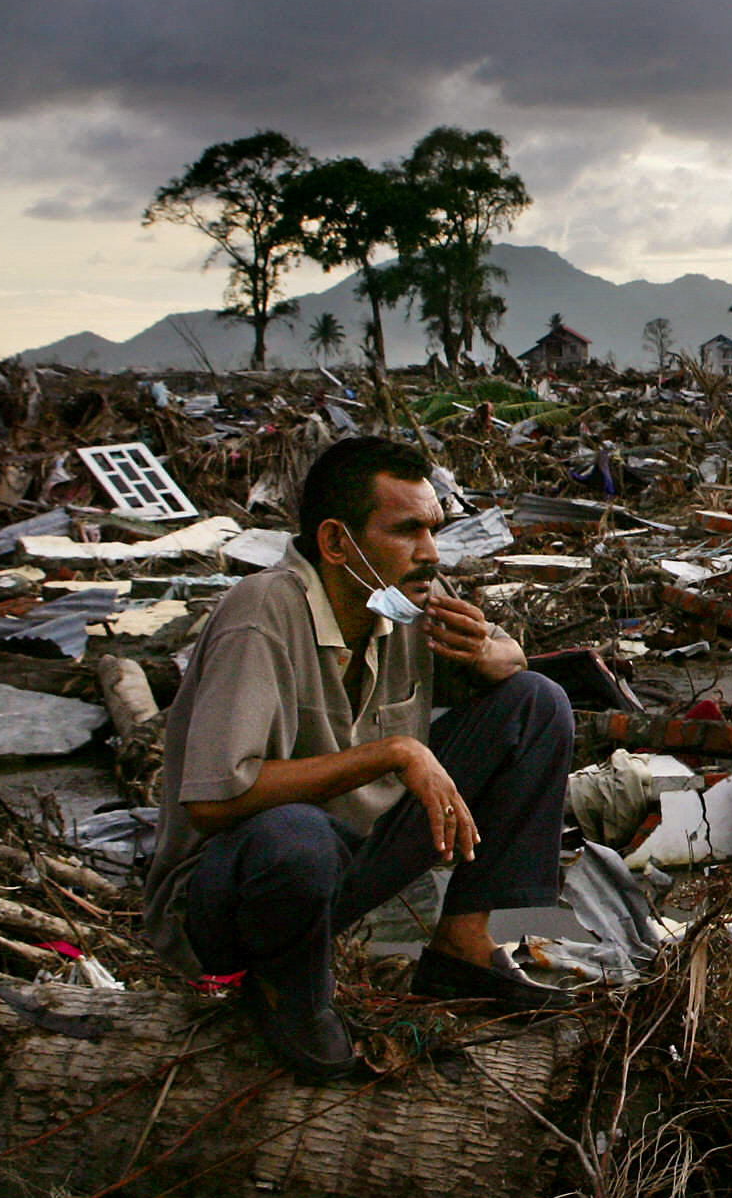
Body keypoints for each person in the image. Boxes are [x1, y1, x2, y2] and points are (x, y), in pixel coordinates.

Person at [142, 437, 576, 1081]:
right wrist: (396, 752)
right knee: (296, 831)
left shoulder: (401, 598)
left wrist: (493, 653)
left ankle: (463, 947)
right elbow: (213, 801)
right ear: (337, 544)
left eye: (434, 528)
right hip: (230, 897)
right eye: (407, 531)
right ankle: (288, 992)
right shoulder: (262, 612)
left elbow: (511, 668)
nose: (429, 551)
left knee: (537, 703)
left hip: (343, 869)